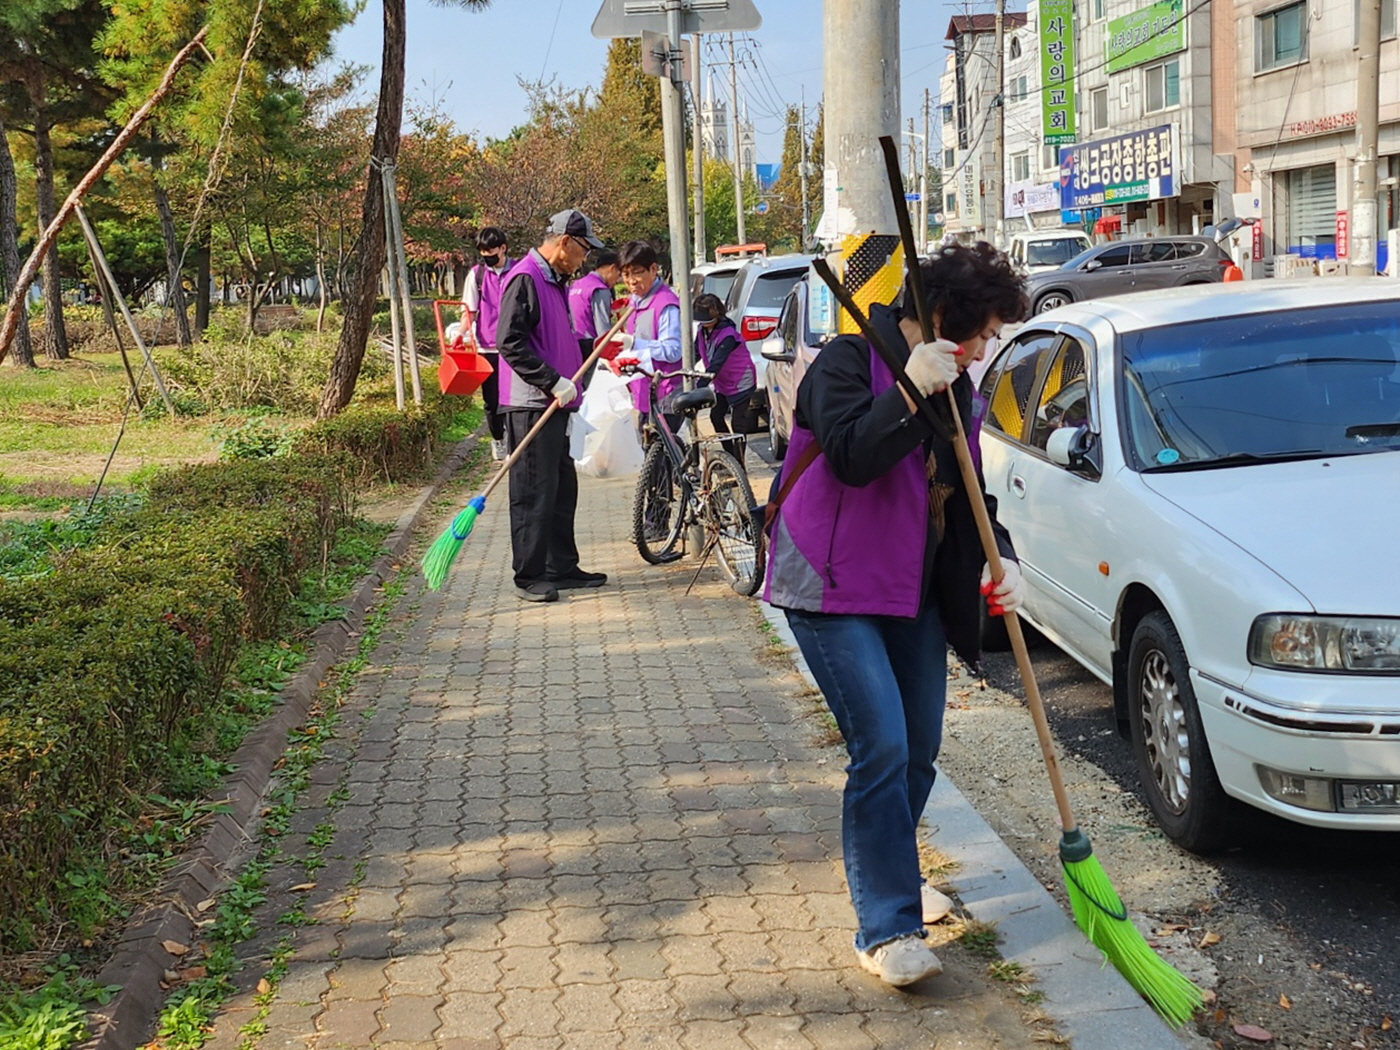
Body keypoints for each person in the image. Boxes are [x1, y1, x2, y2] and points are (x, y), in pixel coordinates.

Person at [762, 242, 1030, 987]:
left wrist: (1000, 559)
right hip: (830, 583)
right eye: (983, 333)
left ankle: (893, 868)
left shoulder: (962, 389)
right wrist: (909, 392)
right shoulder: (847, 363)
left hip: (909, 589)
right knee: (879, 743)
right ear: (946, 318)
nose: (985, 350)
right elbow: (850, 454)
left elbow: (969, 490)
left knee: (917, 748)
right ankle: (886, 926)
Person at [493, 209, 608, 603]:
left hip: (559, 403)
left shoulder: (555, 280)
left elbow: (556, 336)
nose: (586, 258)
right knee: (533, 490)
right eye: (583, 249)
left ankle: (562, 566)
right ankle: (529, 574)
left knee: (561, 488)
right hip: (530, 404)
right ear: (564, 242)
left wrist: (589, 354)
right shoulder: (525, 277)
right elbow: (509, 341)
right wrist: (550, 379)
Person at [613, 240, 682, 434]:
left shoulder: (666, 303)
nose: (631, 281)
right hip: (644, 392)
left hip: (666, 393)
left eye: (637, 272)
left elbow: (673, 351)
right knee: (647, 455)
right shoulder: (635, 302)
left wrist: (635, 343)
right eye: (626, 275)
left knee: (663, 459)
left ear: (653, 269)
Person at [462, 227, 514, 460]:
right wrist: (461, 333)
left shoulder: (519, 271)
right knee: (492, 400)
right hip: (487, 347)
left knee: (514, 398)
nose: (487, 257)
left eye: (491, 251)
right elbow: (469, 311)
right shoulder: (477, 275)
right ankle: (498, 439)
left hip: (515, 345)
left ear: (503, 248)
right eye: (483, 253)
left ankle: (515, 438)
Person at [692, 292, 756, 461]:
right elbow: (695, 353)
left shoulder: (728, 334)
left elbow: (716, 364)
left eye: (709, 321)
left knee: (738, 423)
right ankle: (730, 456)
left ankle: (739, 463)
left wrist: (699, 385)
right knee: (716, 417)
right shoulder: (701, 331)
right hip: (722, 383)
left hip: (741, 380)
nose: (705, 325)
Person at [568, 249, 621, 371]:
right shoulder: (599, 289)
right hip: (591, 352)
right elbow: (604, 332)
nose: (617, 281)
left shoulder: (576, 285)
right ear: (612, 268)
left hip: (572, 348)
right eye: (618, 275)